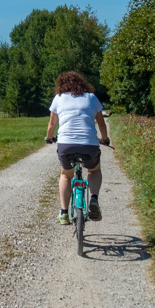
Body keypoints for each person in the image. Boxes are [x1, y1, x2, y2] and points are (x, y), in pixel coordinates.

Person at [44, 70, 111, 225]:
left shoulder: (58, 98)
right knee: (93, 171)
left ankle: (64, 213)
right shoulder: (91, 97)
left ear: (61, 85)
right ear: (82, 83)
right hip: (89, 144)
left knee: (66, 175)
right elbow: (101, 123)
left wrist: (49, 138)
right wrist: (105, 139)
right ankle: (94, 199)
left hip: (66, 144)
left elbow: (52, 123)